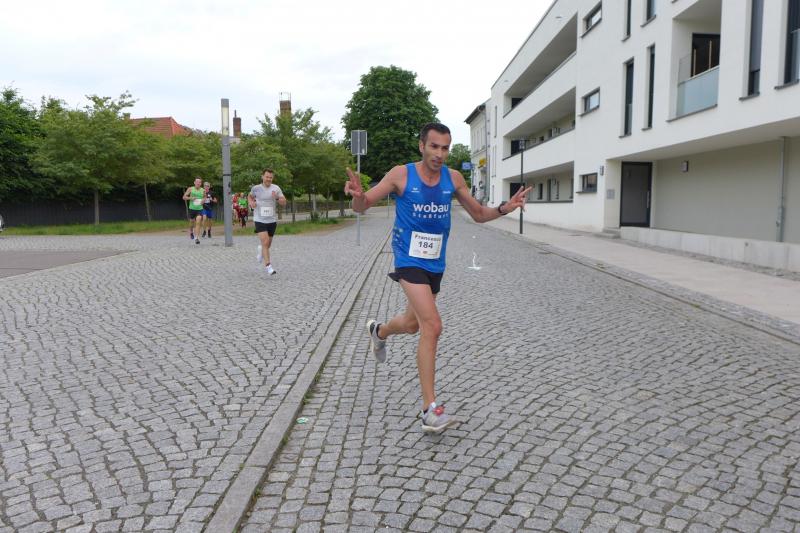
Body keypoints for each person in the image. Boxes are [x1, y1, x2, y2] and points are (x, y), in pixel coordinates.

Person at [344, 122, 530, 434]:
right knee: (433, 325)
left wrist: (504, 208)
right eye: (434, 147)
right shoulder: (401, 175)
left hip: (434, 262)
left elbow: (478, 214)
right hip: (408, 259)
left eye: (445, 148)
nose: (439, 154)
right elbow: (363, 206)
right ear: (422, 146)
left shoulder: (453, 178)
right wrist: (358, 197)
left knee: (413, 324)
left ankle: (379, 331)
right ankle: (429, 410)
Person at [249, 168, 286, 275]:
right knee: (265, 242)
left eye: (270, 177)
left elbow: (283, 202)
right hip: (259, 219)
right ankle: (268, 266)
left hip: (271, 220)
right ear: (262, 177)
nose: (269, 179)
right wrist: (251, 203)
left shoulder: (276, 188)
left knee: (267, 245)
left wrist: (277, 198)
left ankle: (261, 250)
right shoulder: (256, 188)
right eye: (267, 177)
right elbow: (250, 197)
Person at [182, 177, 205, 244]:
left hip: (200, 209)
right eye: (197, 182)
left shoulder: (203, 190)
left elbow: (204, 197)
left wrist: (203, 201)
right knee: (191, 222)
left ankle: (196, 238)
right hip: (192, 209)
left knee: (198, 222)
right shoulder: (190, 189)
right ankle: (191, 231)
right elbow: (184, 197)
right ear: (194, 182)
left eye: (199, 182)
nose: (198, 183)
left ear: (201, 183)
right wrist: (190, 198)